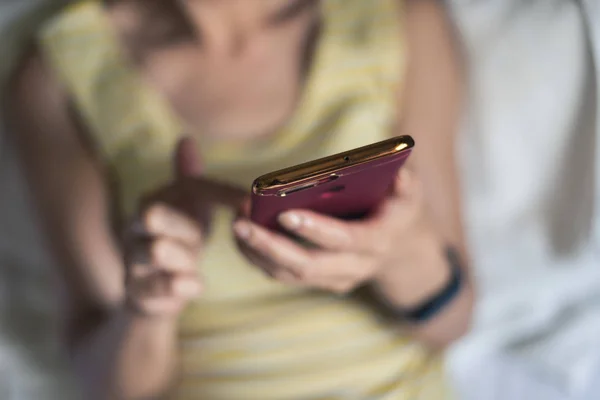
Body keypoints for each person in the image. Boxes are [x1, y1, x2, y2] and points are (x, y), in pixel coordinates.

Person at [6, 0, 473, 399]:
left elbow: (453, 323)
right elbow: (108, 385)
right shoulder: (62, 72)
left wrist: (400, 251)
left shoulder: (399, 19)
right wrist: (150, 306)